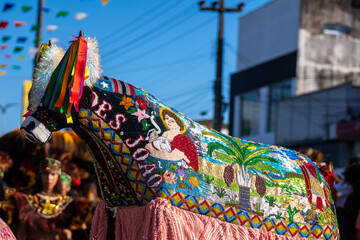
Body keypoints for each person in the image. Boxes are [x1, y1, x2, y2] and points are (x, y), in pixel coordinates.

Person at [12, 157, 74, 240]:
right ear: (40, 176)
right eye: (45, 173)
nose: (49, 178)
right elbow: (20, 232)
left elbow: (67, 231)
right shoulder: (29, 200)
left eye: (53, 174)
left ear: (58, 176)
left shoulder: (65, 203)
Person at [145, 108, 199, 172]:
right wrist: (152, 138)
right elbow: (159, 147)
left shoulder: (181, 138)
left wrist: (151, 149)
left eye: (172, 121)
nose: (168, 121)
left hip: (181, 165)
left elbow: (178, 155)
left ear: (179, 125)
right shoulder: (165, 133)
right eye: (167, 118)